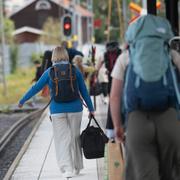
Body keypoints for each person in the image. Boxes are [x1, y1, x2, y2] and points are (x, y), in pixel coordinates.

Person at [18, 46, 94, 178]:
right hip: (75, 109)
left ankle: (67, 169)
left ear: (53, 57)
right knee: (75, 138)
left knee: (62, 140)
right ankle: (77, 167)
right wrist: (91, 109)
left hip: (57, 110)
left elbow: (36, 88)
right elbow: (84, 91)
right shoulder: (74, 70)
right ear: (66, 55)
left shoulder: (49, 72)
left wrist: (22, 100)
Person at [110, 43, 180, 180]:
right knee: (173, 171)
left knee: (143, 173)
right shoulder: (172, 55)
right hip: (170, 119)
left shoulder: (125, 57)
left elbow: (114, 96)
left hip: (137, 121)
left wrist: (117, 126)